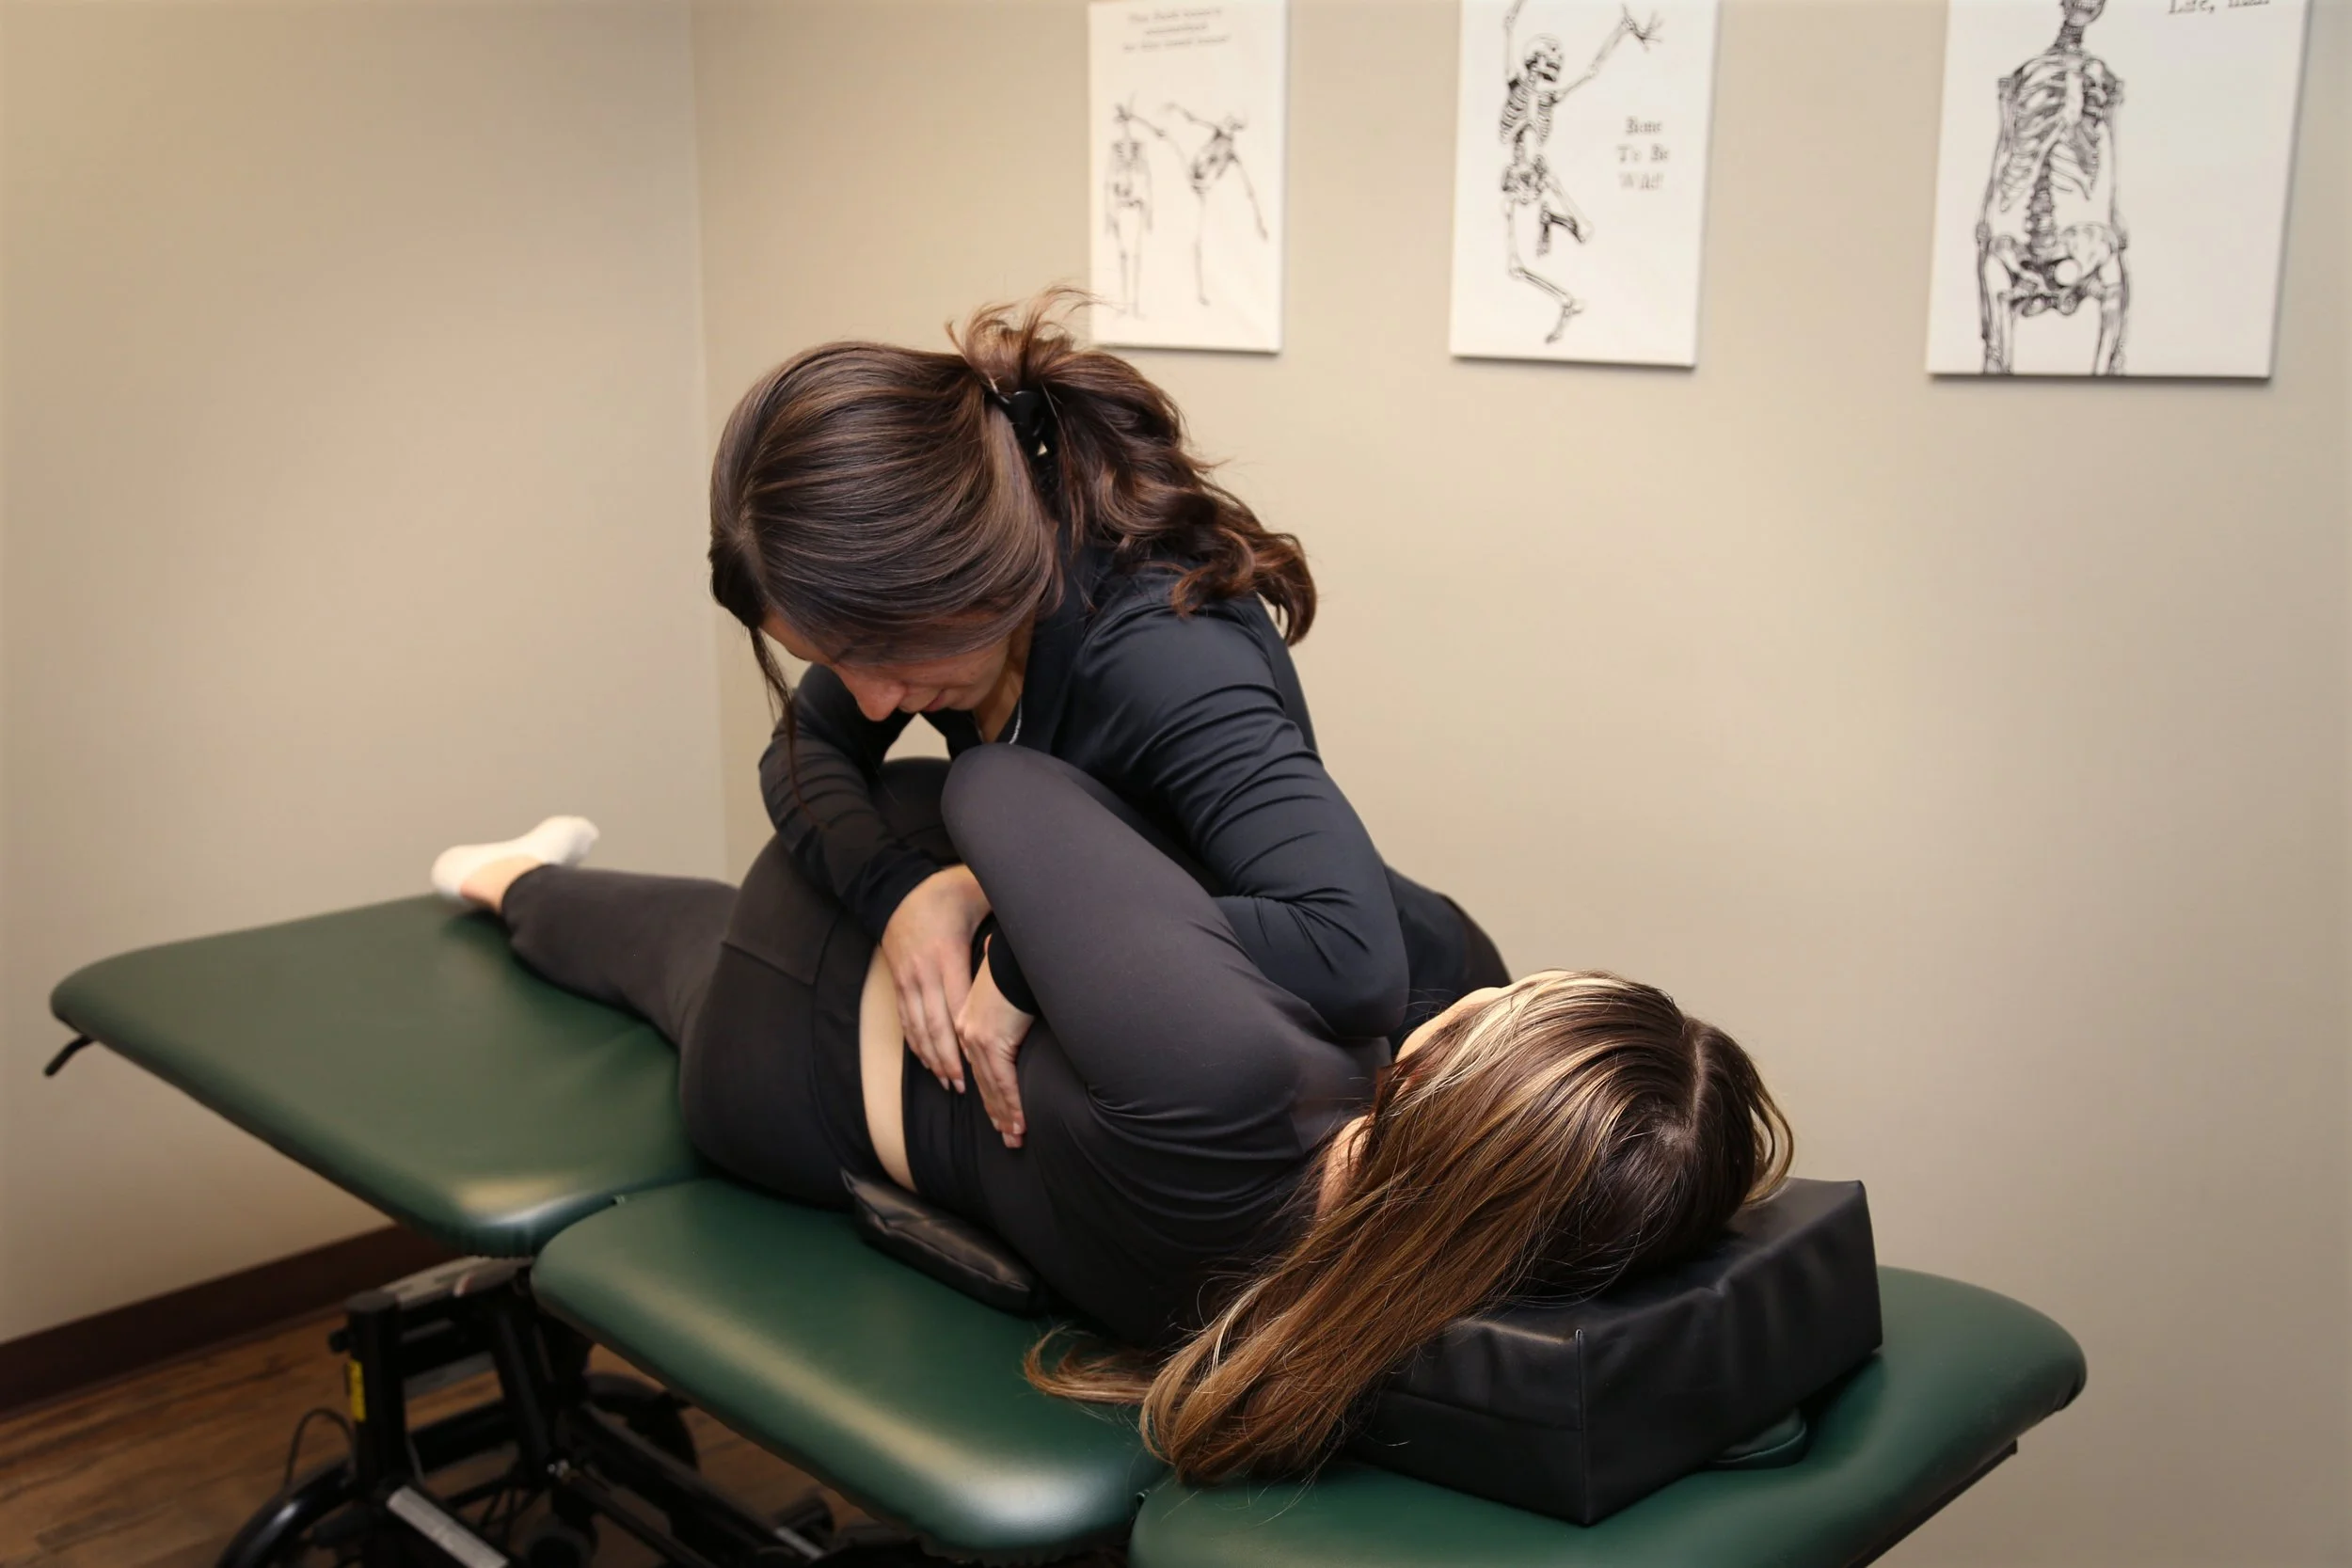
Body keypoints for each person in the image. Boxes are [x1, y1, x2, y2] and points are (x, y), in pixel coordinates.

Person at [429, 745, 1790, 1484]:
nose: (1500, 983)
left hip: (817, 987)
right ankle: (515, 879)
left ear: (1462, 1083)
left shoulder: (1228, 1071)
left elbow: (1001, 780)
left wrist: (988, 905)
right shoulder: (1373, 1274)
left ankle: (509, 883)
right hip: (807, 1113)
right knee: (661, 941)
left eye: (1523, 999)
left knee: (684, 942)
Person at [706, 291, 1504, 1155]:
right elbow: (804, 753)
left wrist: (1030, 947)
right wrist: (901, 895)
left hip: (1437, 1050)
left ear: (956, 563)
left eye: (879, 651)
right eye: (832, 663)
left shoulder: (1160, 650)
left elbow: (1350, 952)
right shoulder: (940, 628)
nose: (869, 701)